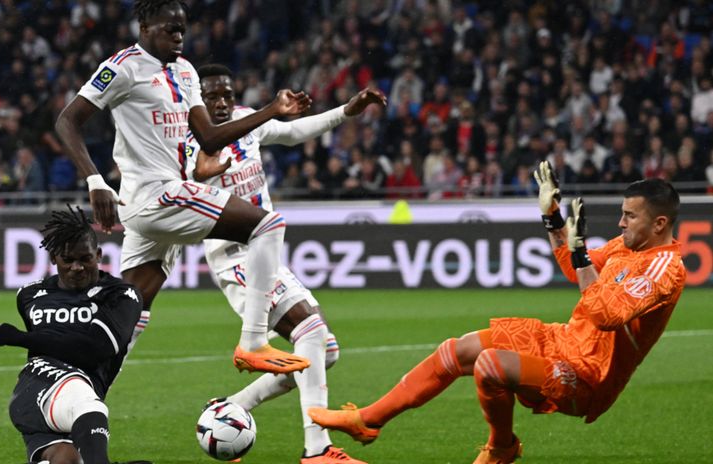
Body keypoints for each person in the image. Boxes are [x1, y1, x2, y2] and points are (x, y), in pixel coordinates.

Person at [308, 162, 686, 464]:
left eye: (629, 216)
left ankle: (501, 448)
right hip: (565, 340)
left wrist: (584, 254)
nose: (621, 223)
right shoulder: (628, 246)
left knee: (492, 366)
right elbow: (573, 268)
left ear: (659, 224)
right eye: (622, 214)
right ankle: (368, 420)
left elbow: (605, 314)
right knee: (460, 349)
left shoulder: (665, 269)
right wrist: (552, 218)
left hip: (588, 375)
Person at [54, 0, 313, 375]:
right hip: (155, 196)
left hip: (163, 200)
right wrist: (95, 180)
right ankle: (254, 340)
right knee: (267, 225)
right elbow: (67, 120)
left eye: (181, 29)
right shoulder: (122, 67)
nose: (178, 36)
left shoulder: (187, 72)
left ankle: (75, 385)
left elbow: (208, 137)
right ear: (145, 29)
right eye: (168, 29)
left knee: (131, 306)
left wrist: (270, 111)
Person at [186, 63, 385, 464]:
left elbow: (295, 132)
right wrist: (195, 173)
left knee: (324, 351)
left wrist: (347, 109)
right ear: (198, 100)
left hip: (265, 252)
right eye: (213, 96)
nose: (223, 102)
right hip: (233, 256)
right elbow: (174, 187)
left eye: (227, 93)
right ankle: (318, 450)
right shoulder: (186, 139)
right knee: (309, 330)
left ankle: (231, 406)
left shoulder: (245, 121)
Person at [0, 206, 149, 464]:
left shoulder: (121, 296)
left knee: (67, 459)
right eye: (68, 260)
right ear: (54, 258)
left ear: (98, 255)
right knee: (87, 403)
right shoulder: (30, 295)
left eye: (85, 258)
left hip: (75, 400)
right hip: (35, 389)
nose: (76, 267)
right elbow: (55, 350)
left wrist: (20, 338)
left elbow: (94, 349)